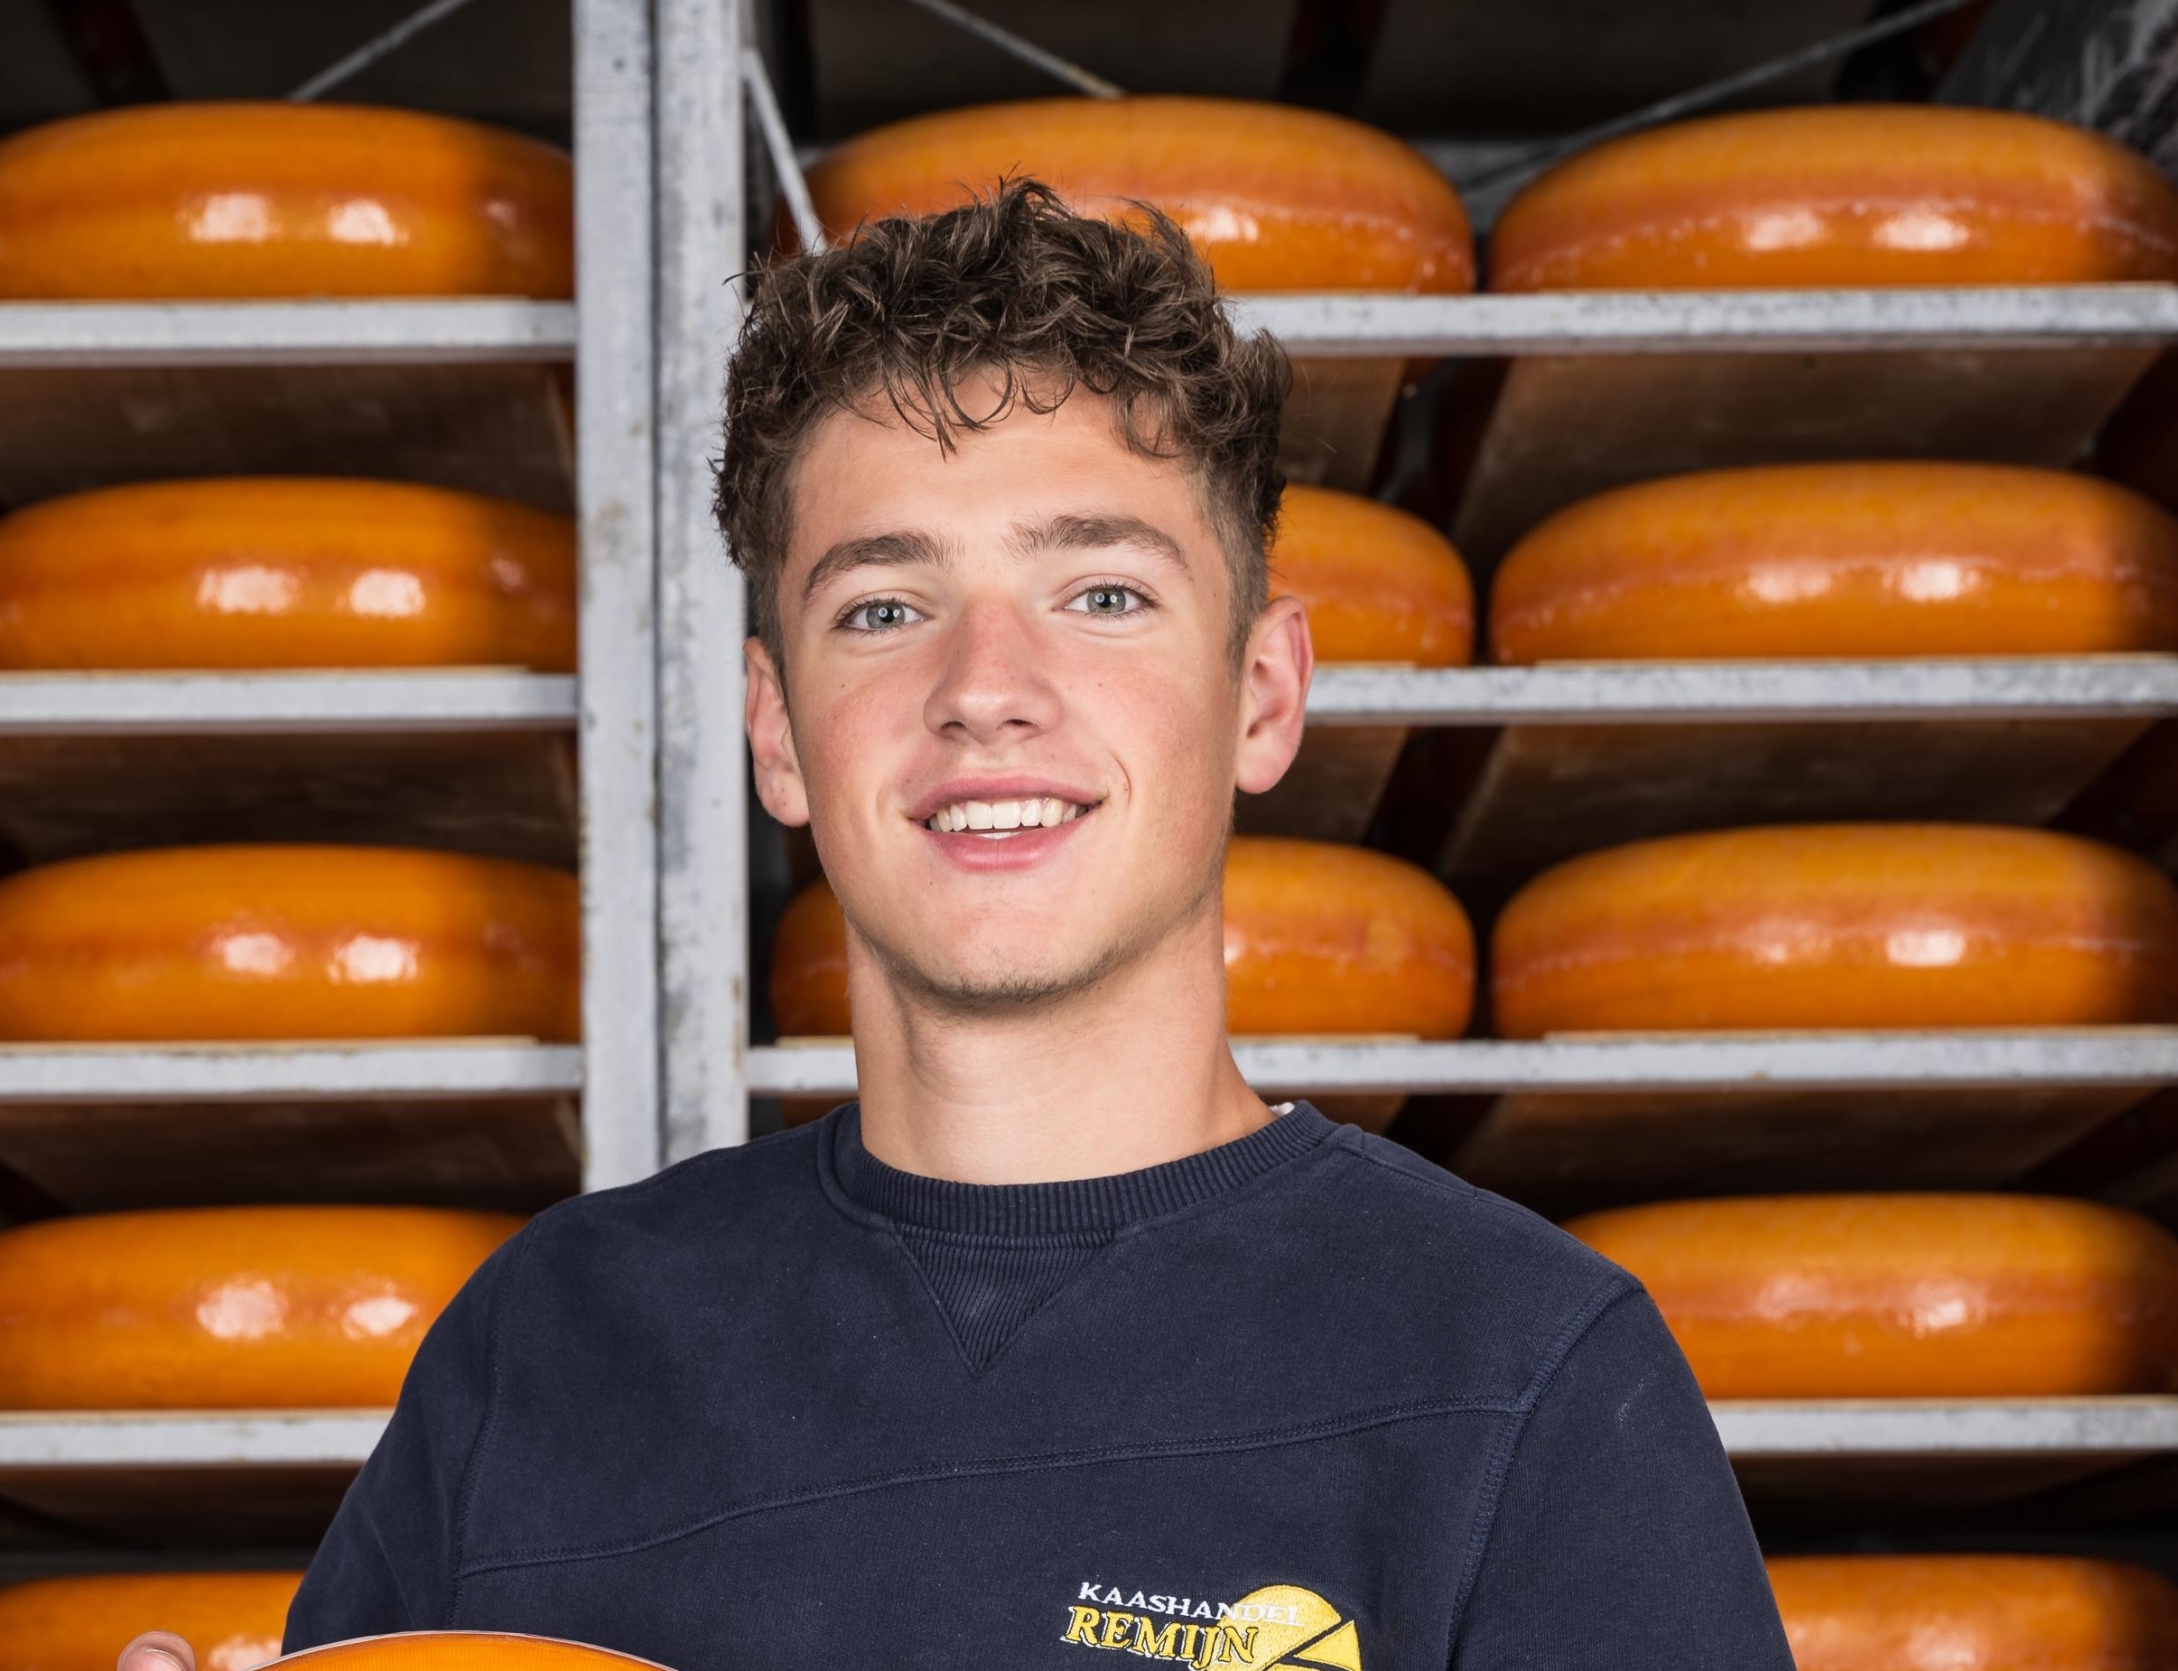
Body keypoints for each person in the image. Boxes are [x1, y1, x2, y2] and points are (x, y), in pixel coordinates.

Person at [122, 181, 1791, 1671]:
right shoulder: (547, 1344)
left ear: (1265, 694)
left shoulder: (1525, 1370)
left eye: (1103, 594)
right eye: (884, 607)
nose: (986, 689)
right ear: (778, 732)